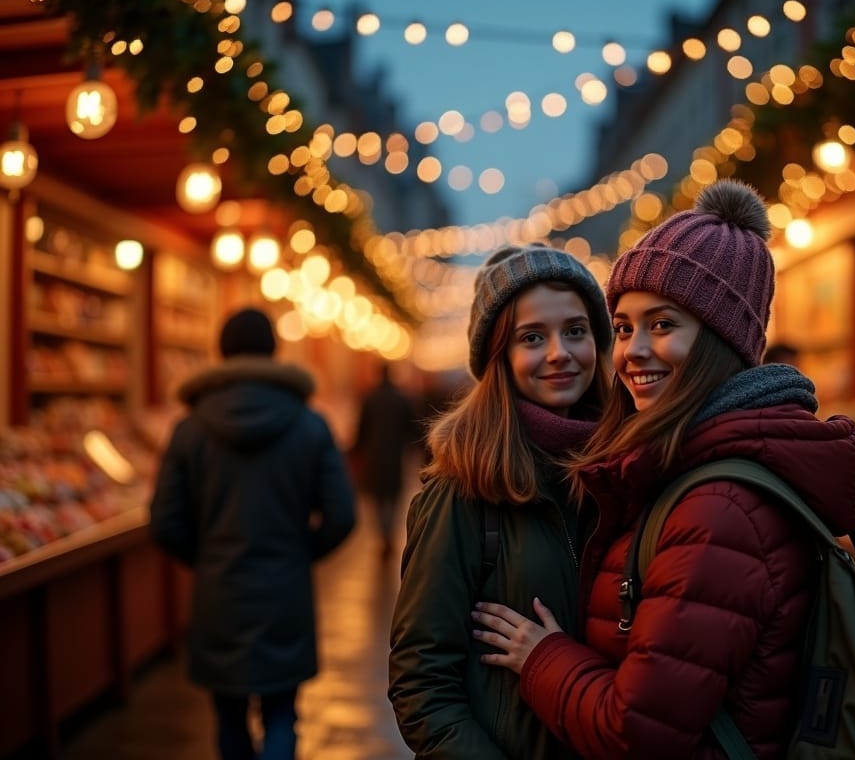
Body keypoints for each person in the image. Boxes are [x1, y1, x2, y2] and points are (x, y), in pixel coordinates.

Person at [471, 181, 855, 758]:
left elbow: (635, 732)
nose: (632, 351)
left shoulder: (719, 508)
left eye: (663, 325)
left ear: (720, 339)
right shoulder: (685, 464)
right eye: (625, 326)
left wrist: (542, 656)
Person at [388, 245, 613, 759]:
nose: (559, 352)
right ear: (499, 358)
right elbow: (420, 682)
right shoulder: (463, 490)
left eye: (575, 331)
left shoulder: (625, 471)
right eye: (532, 337)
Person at [148, 307, 356, 760]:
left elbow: (164, 520)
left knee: (228, 716)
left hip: (219, 595)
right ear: (274, 351)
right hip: (286, 591)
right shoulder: (309, 425)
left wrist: (207, 559)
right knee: (283, 714)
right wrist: (302, 552)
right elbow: (342, 514)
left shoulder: (190, 428)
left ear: (220, 353)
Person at [352, 360, 418, 557]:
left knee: (378, 498)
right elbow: (411, 429)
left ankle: (383, 534)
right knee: (394, 497)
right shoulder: (401, 399)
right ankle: (389, 533)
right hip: (395, 455)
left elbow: (361, 430)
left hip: (374, 455)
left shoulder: (369, 399)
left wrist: (358, 450)